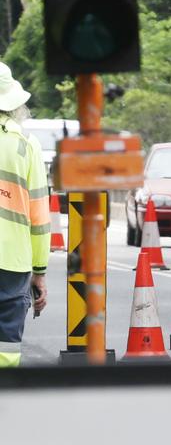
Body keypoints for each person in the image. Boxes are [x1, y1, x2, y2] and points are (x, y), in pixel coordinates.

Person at [0, 63, 49, 367]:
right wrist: (40, 271)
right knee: (6, 344)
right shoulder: (26, 147)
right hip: (12, 264)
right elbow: (40, 217)